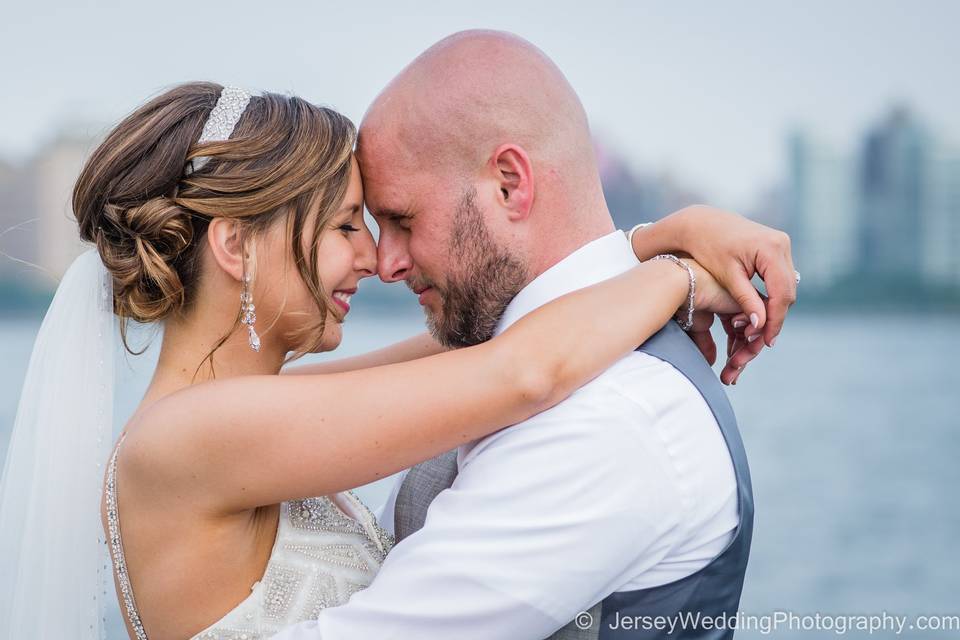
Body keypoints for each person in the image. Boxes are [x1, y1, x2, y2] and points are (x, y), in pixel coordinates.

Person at [0, 79, 789, 639]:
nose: (377, 261)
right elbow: (521, 371)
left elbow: (491, 344)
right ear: (236, 244)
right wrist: (680, 273)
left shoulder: (233, 418)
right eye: (348, 227)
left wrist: (649, 241)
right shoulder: (190, 440)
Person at [272, 31, 796, 640]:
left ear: (510, 183)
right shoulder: (500, 355)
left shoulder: (612, 419)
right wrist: (659, 252)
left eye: (401, 221)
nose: (386, 264)